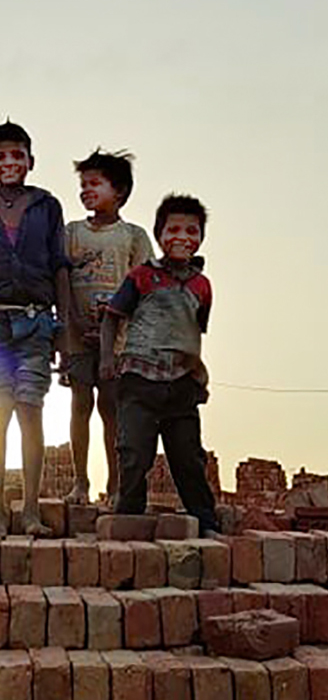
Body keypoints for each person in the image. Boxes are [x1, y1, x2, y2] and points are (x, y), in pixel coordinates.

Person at [0, 121, 71, 536]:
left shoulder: (47, 206)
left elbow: (59, 266)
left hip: (36, 320)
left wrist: (63, 328)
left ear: (30, 161)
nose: (9, 162)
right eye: (0, 156)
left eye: (17, 155)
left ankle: (31, 513)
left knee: (31, 412)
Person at [100, 193, 219, 535]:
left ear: (200, 238)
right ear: (160, 235)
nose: (182, 237)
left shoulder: (202, 286)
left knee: (188, 458)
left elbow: (196, 329)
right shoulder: (142, 277)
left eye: (191, 231)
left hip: (182, 384)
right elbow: (112, 317)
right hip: (139, 379)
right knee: (134, 451)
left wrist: (197, 374)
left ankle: (205, 521)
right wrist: (108, 358)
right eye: (174, 230)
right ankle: (129, 516)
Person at [63, 149, 153, 507]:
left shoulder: (132, 236)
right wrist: (71, 322)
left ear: (120, 191)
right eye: (83, 184)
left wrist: (115, 319)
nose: (86, 190)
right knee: (79, 403)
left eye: (95, 183)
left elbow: (145, 289)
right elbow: (61, 280)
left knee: (112, 408)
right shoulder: (71, 233)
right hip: (77, 335)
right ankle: (80, 481)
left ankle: (116, 484)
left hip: (117, 340)